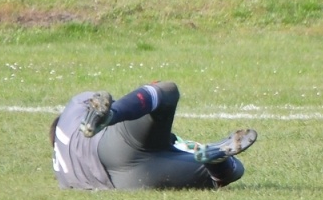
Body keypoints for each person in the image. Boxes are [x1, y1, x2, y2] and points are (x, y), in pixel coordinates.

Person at [51, 80, 256, 191]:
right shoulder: (72, 111)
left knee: (225, 175)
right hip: (108, 145)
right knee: (166, 91)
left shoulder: (62, 174)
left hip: (125, 181)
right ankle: (113, 115)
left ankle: (216, 162)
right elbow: (96, 103)